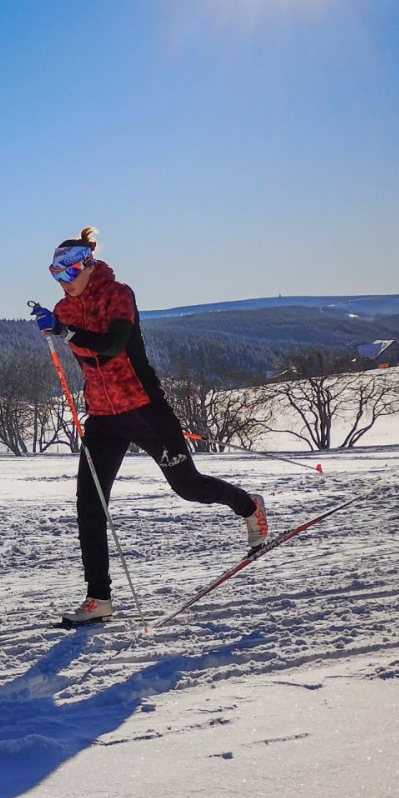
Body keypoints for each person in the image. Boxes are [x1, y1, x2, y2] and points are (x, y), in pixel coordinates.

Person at [31, 226, 268, 626]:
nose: (62, 283)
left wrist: (64, 330)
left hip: (144, 408)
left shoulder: (118, 294)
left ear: (87, 266)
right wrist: (58, 327)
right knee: (90, 505)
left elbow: (113, 345)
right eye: (55, 275)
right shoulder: (65, 310)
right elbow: (85, 356)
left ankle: (249, 507)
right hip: (102, 417)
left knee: (188, 487)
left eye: (68, 274)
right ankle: (99, 598)